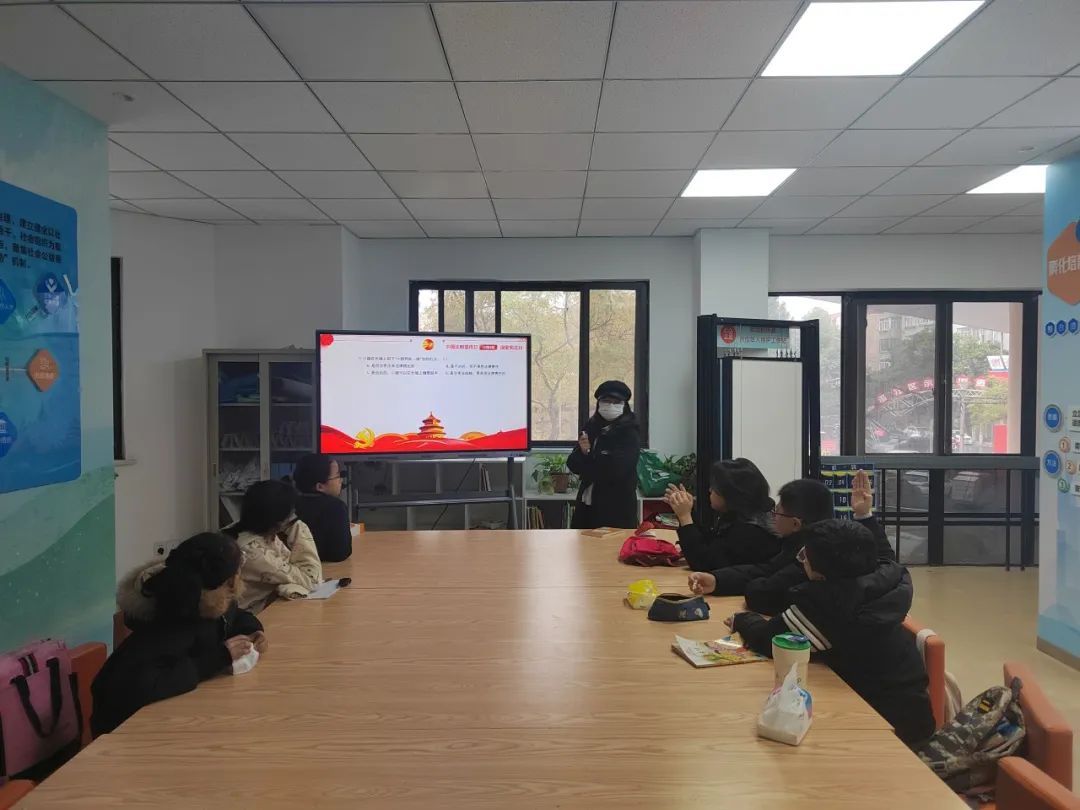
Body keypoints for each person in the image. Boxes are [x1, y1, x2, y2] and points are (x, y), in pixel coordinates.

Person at [728, 519, 934, 747]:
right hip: (912, 713)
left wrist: (742, 619)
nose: (802, 560)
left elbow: (769, 640)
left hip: (885, 731)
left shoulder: (830, 604)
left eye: (804, 556)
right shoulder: (884, 581)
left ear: (818, 574)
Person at [91, 532, 268, 736]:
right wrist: (218, 657)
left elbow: (233, 614)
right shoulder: (170, 621)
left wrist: (251, 629)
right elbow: (143, 685)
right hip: (127, 732)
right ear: (227, 581)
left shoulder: (205, 600)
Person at [688, 471, 894, 615]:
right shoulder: (816, 540)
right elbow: (766, 569)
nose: (772, 516)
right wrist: (717, 580)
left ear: (796, 524)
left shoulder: (811, 556)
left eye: (777, 512)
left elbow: (763, 593)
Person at [662, 458, 780, 572]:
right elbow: (708, 543)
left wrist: (684, 516)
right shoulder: (738, 515)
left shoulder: (751, 530)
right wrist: (688, 510)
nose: (710, 490)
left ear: (730, 494)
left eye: (714, 488)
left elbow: (703, 563)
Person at [223, 479, 323, 613]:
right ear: (277, 520)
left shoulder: (254, 532)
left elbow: (291, 566)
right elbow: (312, 580)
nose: (293, 516)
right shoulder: (252, 551)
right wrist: (297, 526)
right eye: (291, 514)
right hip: (248, 618)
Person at [567, 380, 642, 530]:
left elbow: (616, 470)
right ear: (599, 403)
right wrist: (585, 453)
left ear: (624, 405)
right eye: (606, 401)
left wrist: (589, 457)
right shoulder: (591, 426)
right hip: (587, 505)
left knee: (614, 544)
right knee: (581, 543)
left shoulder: (629, 433)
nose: (611, 406)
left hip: (616, 507)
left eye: (616, 402)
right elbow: (573, 464)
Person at [292, 454, 352, 562]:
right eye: (337, 476)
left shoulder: (289, 504)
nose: (341, 480)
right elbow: (341, 553)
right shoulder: (336, 507)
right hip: (324, 567)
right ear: (320, 486)